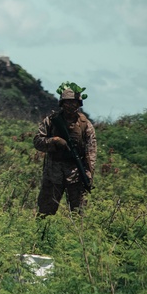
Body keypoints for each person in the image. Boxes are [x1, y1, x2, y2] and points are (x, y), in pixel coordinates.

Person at [33, 83, 96, 215]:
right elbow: (38, 142)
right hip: (53, 171)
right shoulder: (51, 121)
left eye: (74, 103)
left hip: (76, 173)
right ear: (62, 103)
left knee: (79, 213)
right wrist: (54, 141)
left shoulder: (86, 125)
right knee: (45, 212)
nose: (71, 106)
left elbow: (91, 151)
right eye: (67, 102)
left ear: (79, 104)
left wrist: (89, 173)